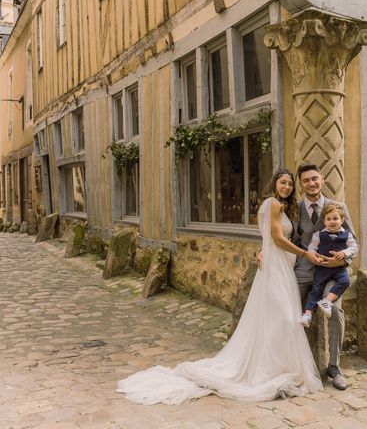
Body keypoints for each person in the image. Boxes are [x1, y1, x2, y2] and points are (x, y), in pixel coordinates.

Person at [117, 169, 323, 404]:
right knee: (285, 317)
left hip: (281, 267)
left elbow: (267, 239)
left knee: (274, 318)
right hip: (276, 269)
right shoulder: (273, 203)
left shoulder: (278, 206)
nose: (286, 187)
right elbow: (276, 239)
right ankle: (270, 369)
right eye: (282, 182)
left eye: (289, 184)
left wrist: (264, 251)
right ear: (274, 184)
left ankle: (277, 365)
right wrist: (305, 253)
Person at [292, 162, 357, 391]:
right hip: (304, 269)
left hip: (332, 270)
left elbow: (353, 240)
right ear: (301, 185)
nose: (311, 183)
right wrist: (262, 250)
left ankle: (334, 367)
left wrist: (341, 261)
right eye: (306, 180)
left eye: (314, 179)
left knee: (336, 311)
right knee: (288, 307)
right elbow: (286, 237)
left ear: (321, 179)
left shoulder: (337, 206)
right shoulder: (295, 207)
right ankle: (294, 364)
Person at [300, 203, 358, 327]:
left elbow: (354, 247)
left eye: (335, 218)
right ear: (324, 221)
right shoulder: (318, 235)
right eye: (329, 219)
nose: (332, 222)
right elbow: (312, 248)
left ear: (342, 220)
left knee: (345, 281)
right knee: (316, 288)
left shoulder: (347, 235)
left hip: (339, 268)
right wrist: (315, 258)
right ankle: (308, 314)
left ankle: (327, 301)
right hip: (322, 268)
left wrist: (344, 253)